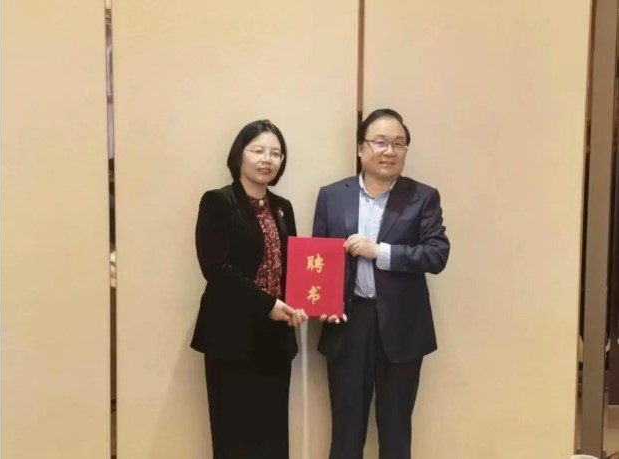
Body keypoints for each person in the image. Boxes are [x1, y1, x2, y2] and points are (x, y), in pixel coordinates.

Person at [312, 108, 450, 459]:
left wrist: (380, 251)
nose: (390, 151)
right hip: (348, 325)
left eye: (399, 144)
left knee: (395, 432)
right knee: (345, 434)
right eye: (381, 142)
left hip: (403, 329)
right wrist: (323, 304)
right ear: (361, 148)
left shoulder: (423, 197)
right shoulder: (332, 195)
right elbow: (319, 259)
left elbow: (436, 255)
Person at [191, 119, 308, 459]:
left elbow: (293, 267)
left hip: (275, 338)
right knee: (234, 437)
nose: (267, 159)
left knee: (272, 437)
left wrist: (300, 302)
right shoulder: (218, 202)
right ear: (239, 155)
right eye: (258, 150)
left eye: (275, 153)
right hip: (231, 336)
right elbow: (216, 269)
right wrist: (268, 304)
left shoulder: (283, 207)